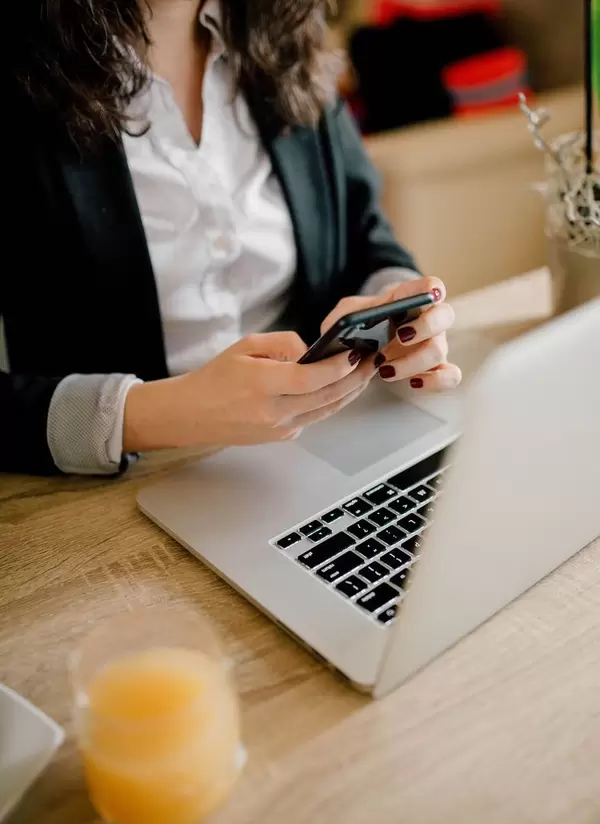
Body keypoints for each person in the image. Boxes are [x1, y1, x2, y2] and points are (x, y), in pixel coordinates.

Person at [3, 0, 461, 477]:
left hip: (322, 441)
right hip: (127, 482)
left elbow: (364, 235)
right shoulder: (20, 72)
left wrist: (395, 309)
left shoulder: (283, 29)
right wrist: (162, 414)